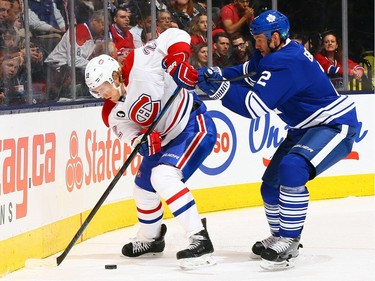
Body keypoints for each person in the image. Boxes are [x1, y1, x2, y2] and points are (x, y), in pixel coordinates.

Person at [196, 10, 358, 270]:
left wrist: (218, 89)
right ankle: (279, 235)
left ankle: (290, 240)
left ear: (275, 37)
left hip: (334, 124)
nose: (255, 44)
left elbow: (252, 107)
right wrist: (217, 73)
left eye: (258, 38)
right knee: (270, 186)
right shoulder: (273, 52)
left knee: (293, 167)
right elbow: (246, 70)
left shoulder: (287, 61)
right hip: (304, 128)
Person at [84, 27, 217, 269]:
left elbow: (175, 35)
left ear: (115, 76)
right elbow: (130, 135)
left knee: (163, 176)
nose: (101, 94)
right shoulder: (110, 112)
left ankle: (199, 238)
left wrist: (177, 61)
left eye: (103, 87)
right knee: (143, 187)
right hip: (167, 139)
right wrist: (142, 142)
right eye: (96, 91)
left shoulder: (138, 62)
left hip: (192, 124)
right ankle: (151, 238)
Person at [44, 9, 106, 101]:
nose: (104, 28)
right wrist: (95, 65)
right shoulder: (80, 31)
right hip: (54, 70)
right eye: (102, 24)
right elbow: (74, 60)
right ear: (94, 21)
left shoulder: (93, 36)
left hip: (68, 71)